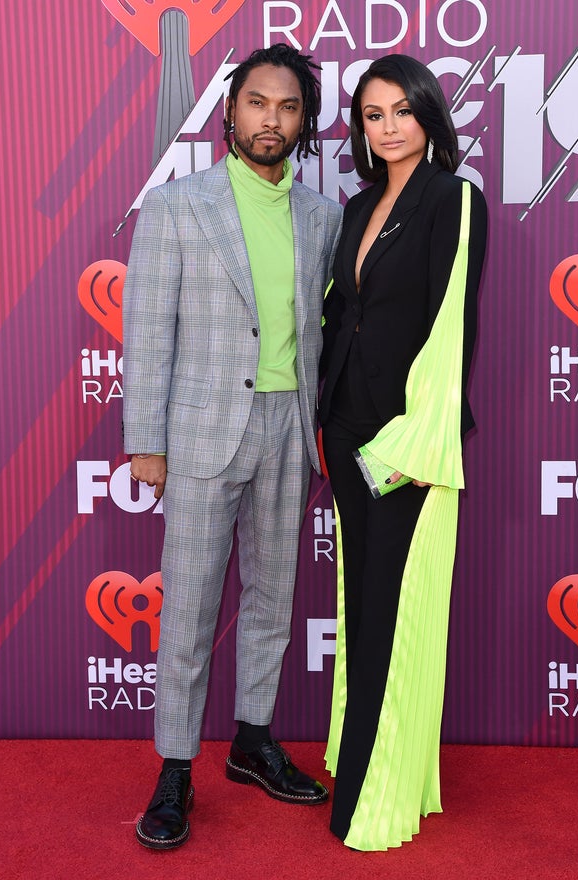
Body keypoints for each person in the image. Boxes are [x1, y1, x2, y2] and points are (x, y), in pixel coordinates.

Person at [122, 43, 342, 850]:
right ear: (231, 110)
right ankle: (175, 766)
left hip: (290, 425)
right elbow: (146, 329)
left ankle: (252, 739)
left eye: (287, 108)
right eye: (258, 104)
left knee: (273, 596)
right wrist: (146, 438)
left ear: (304, 123)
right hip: (200, 429)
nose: (270, 121)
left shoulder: (323, 216)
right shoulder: (178, 206)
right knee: (188, 604)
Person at [319, 54, 487, 851]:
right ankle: (365, 770)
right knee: (364, 610)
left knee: (393, 615)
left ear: (428, 115)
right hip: (346, 427)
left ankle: (374, 796)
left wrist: (417, 441)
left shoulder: (454, 201)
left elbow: (452, 324)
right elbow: (337, 321)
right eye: (372, 115)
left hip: (405, 441)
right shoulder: (355, 207)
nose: (386, 128)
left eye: (401, 111)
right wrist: (326, 425)